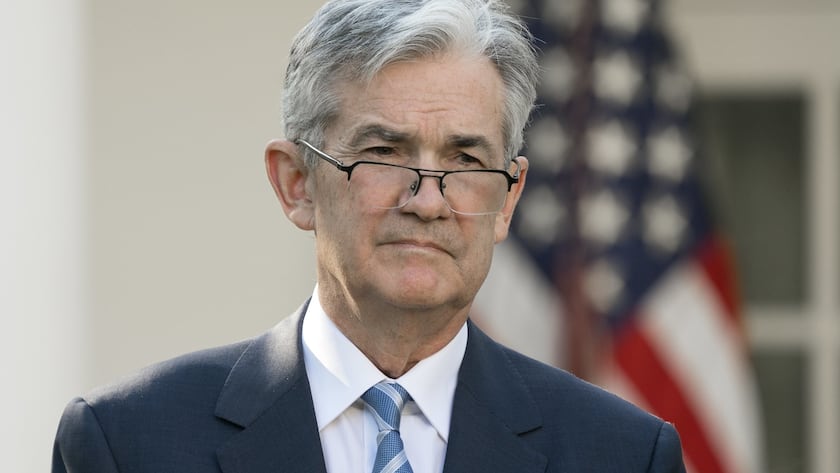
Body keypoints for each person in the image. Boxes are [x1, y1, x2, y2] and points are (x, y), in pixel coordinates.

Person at [52, 0, 686, 471]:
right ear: (297, 183)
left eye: (465, 161)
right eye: (384, 153)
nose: (428, 200)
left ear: (508, 198)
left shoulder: (624, 455)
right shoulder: (126, 443)